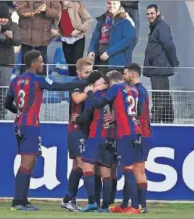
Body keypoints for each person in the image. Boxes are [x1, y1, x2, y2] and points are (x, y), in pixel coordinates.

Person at [4, 50, 101, 211]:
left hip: (19, 125)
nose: (43, 64)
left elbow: (7, 103)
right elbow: (60, 86)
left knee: (31, 161)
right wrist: (85, 83)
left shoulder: (16, 81)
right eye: (41, 61)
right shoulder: (37, 80)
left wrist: (20, 112)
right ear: (33, 63)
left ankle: (23, 200)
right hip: (30, 126)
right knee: (27, 163)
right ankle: (18, 202)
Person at [84, 70, 142, 214]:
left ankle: (134, 206)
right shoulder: (134, 89)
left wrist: (90, 92)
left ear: (110, 82)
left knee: (127, 170)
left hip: (123, 133)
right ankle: (122, 205)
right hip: (134, 131)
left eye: (107, 83)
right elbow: (138, 110)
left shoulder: (116, 88)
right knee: (121, 170)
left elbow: (98, 103)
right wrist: (116, 116)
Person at [74, 74, 117, 212]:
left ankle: (92, 202)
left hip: (96, 136)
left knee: (87, 168)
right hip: (110, 137)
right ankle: (105, 206)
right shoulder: (117, 95)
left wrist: (77, 119)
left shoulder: (96, 95)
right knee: (107, 173)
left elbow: (86, 115)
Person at [61, 57, 93, 212]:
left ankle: (68, 199)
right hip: (75, 129)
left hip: (85, 129)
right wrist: (90, 91)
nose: (89, 74)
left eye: (91, 71)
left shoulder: (88, 84)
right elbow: (77, 98)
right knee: (82, 164)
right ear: (79, 72)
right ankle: (86, 200)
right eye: (86, 72)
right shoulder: (76, 83)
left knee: (77, 167)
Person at [120, 63, 150, 213]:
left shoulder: (139, 91)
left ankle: (141, 206)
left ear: (132, 74)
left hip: (141, 133)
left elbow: (138, 112)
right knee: (130, 169)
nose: (123, 76)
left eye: (125, 73)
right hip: (139, 132)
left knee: (138, 170)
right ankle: (128, 204)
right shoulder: (138, 90)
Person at [143, 4, 179, 124]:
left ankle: (155, 123)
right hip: (158, 68)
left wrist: (174, 61)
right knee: (164, 98)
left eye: (152, 13)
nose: (149, 16)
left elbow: (169, 45)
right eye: (147, 14)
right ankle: (169, 123)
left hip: (159, 68)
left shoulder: (161, 26)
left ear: (158, 13)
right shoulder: (157, 26)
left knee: (159, 98)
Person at [88, 0, 135, 73]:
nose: (111, 6)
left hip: (116, 63)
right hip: (101, 61)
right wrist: (91, 50)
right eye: (109, 3)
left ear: (119, 4)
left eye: (114, 3)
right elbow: (95, 38)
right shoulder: (103, 19)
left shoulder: (126, 20)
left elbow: (127, 41)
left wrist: (109, 52)